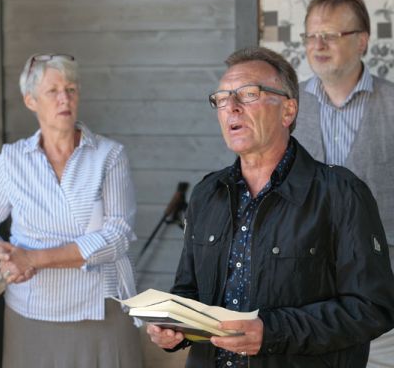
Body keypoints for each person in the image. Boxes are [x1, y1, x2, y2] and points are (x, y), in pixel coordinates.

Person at [146, 46, 394, 368]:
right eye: (221, 99)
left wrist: (272, 332)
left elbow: (373, 308)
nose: (231, 107)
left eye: (248, 94)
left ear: (288, 111)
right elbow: (189, 289)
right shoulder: (207, 194)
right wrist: (175, 327)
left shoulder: (341, 193)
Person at [0, 53, 143, 368]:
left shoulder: (109, 155)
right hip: (31, 314)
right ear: (31, 101)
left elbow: (117, 237)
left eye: (71, 89)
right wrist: (2, 252)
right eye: (53, 91)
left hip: (102, 310)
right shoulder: (11, 160)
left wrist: (33, 258)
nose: (65, 98)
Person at [294, 0, 394, 368]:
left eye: (331, 35)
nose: (318, 45)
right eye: (311, 35)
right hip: (303, 286)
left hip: (382, 286)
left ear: (362, 41)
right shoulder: (285, 107)